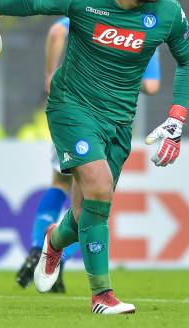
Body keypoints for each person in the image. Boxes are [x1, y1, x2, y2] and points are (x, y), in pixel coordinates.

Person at [0, 0, 189, 314]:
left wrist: (177, 117)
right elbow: (32, 2)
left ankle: (53, 242)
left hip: (117, 121)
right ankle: (102, 295)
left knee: (86, 213)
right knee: (99, 188)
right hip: (72, 108)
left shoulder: (168, 13)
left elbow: (188, 62)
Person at [15, 17, 161, 292]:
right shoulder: (149, 29)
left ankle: (40, 248)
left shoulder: (94, 11)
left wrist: (51, 76)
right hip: (111, 122)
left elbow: (57, 32)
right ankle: (59, 258)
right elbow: (152, 86)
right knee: (92, 201)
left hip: (75, 113)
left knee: (61, 184)